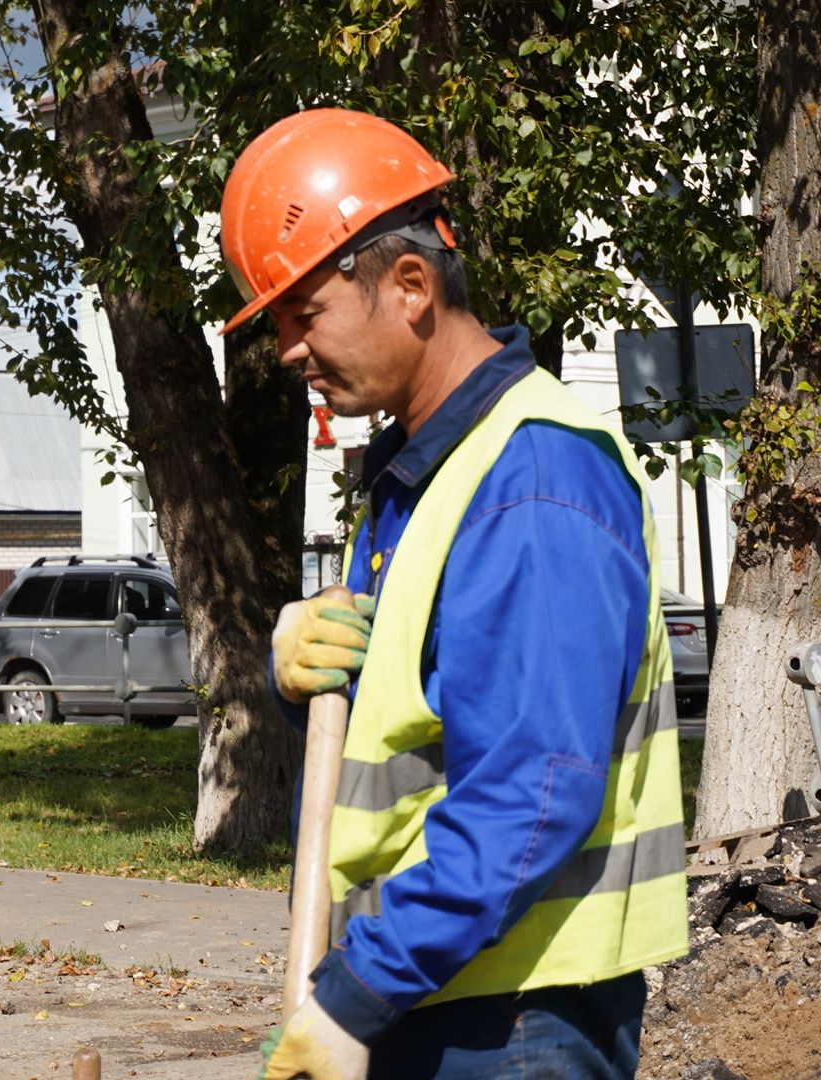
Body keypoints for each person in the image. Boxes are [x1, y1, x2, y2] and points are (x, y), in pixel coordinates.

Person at [220, 109, 689, 1079]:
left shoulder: (532, 482)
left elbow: (531, 794)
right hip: (437, 991)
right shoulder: (422, 471)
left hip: (514, 1022)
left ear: (407, 284)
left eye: (301, 314)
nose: (285, 351)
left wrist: (352, 999)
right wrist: (294, 673)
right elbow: (411, 718)